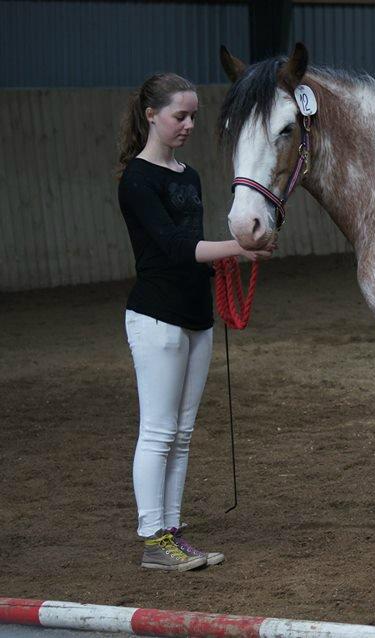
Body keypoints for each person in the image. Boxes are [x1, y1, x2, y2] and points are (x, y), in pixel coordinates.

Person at [116, 73, 275, 571]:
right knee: (159, 432)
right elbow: (175, 247)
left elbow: (194, 248)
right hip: (156, 316)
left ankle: (172, 532)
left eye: (192, 117)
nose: (187, 125)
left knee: (181, 434)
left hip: (195, 316)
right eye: (178, 116)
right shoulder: (137, 181)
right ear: (151, 115)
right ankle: (152, 536)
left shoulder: (189, 176)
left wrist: (230, 254)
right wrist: (241, 247)